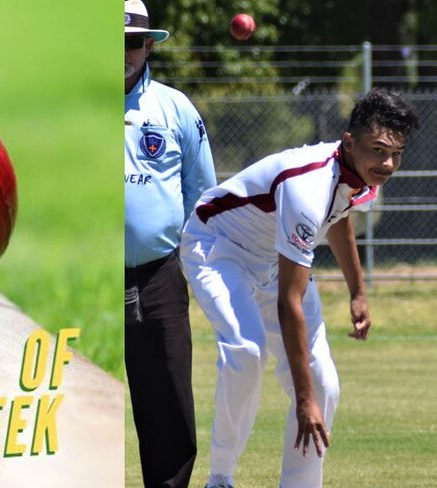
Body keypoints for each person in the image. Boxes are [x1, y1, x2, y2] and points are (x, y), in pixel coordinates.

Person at [180, 88, 418, 488]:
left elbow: (340, 218)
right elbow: (289, 301)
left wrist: (357, 292)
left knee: (323, 381)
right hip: (219, 247)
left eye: (397, 153)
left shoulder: (364, 175)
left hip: (272, 257)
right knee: (247, 350)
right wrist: (302, 401)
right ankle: (220, 477)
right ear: (349, 141)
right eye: (378, 150)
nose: (388, 163)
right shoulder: (306, 186)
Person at [124, 1, 217, 486]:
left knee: (167, 399)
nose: (124, 52)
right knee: (69, 393)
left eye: (133, 41)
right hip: (81, 275)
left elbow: (201, 192)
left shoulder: (175, 107)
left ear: (148, 44)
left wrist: (187, 258)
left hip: (157, 273)